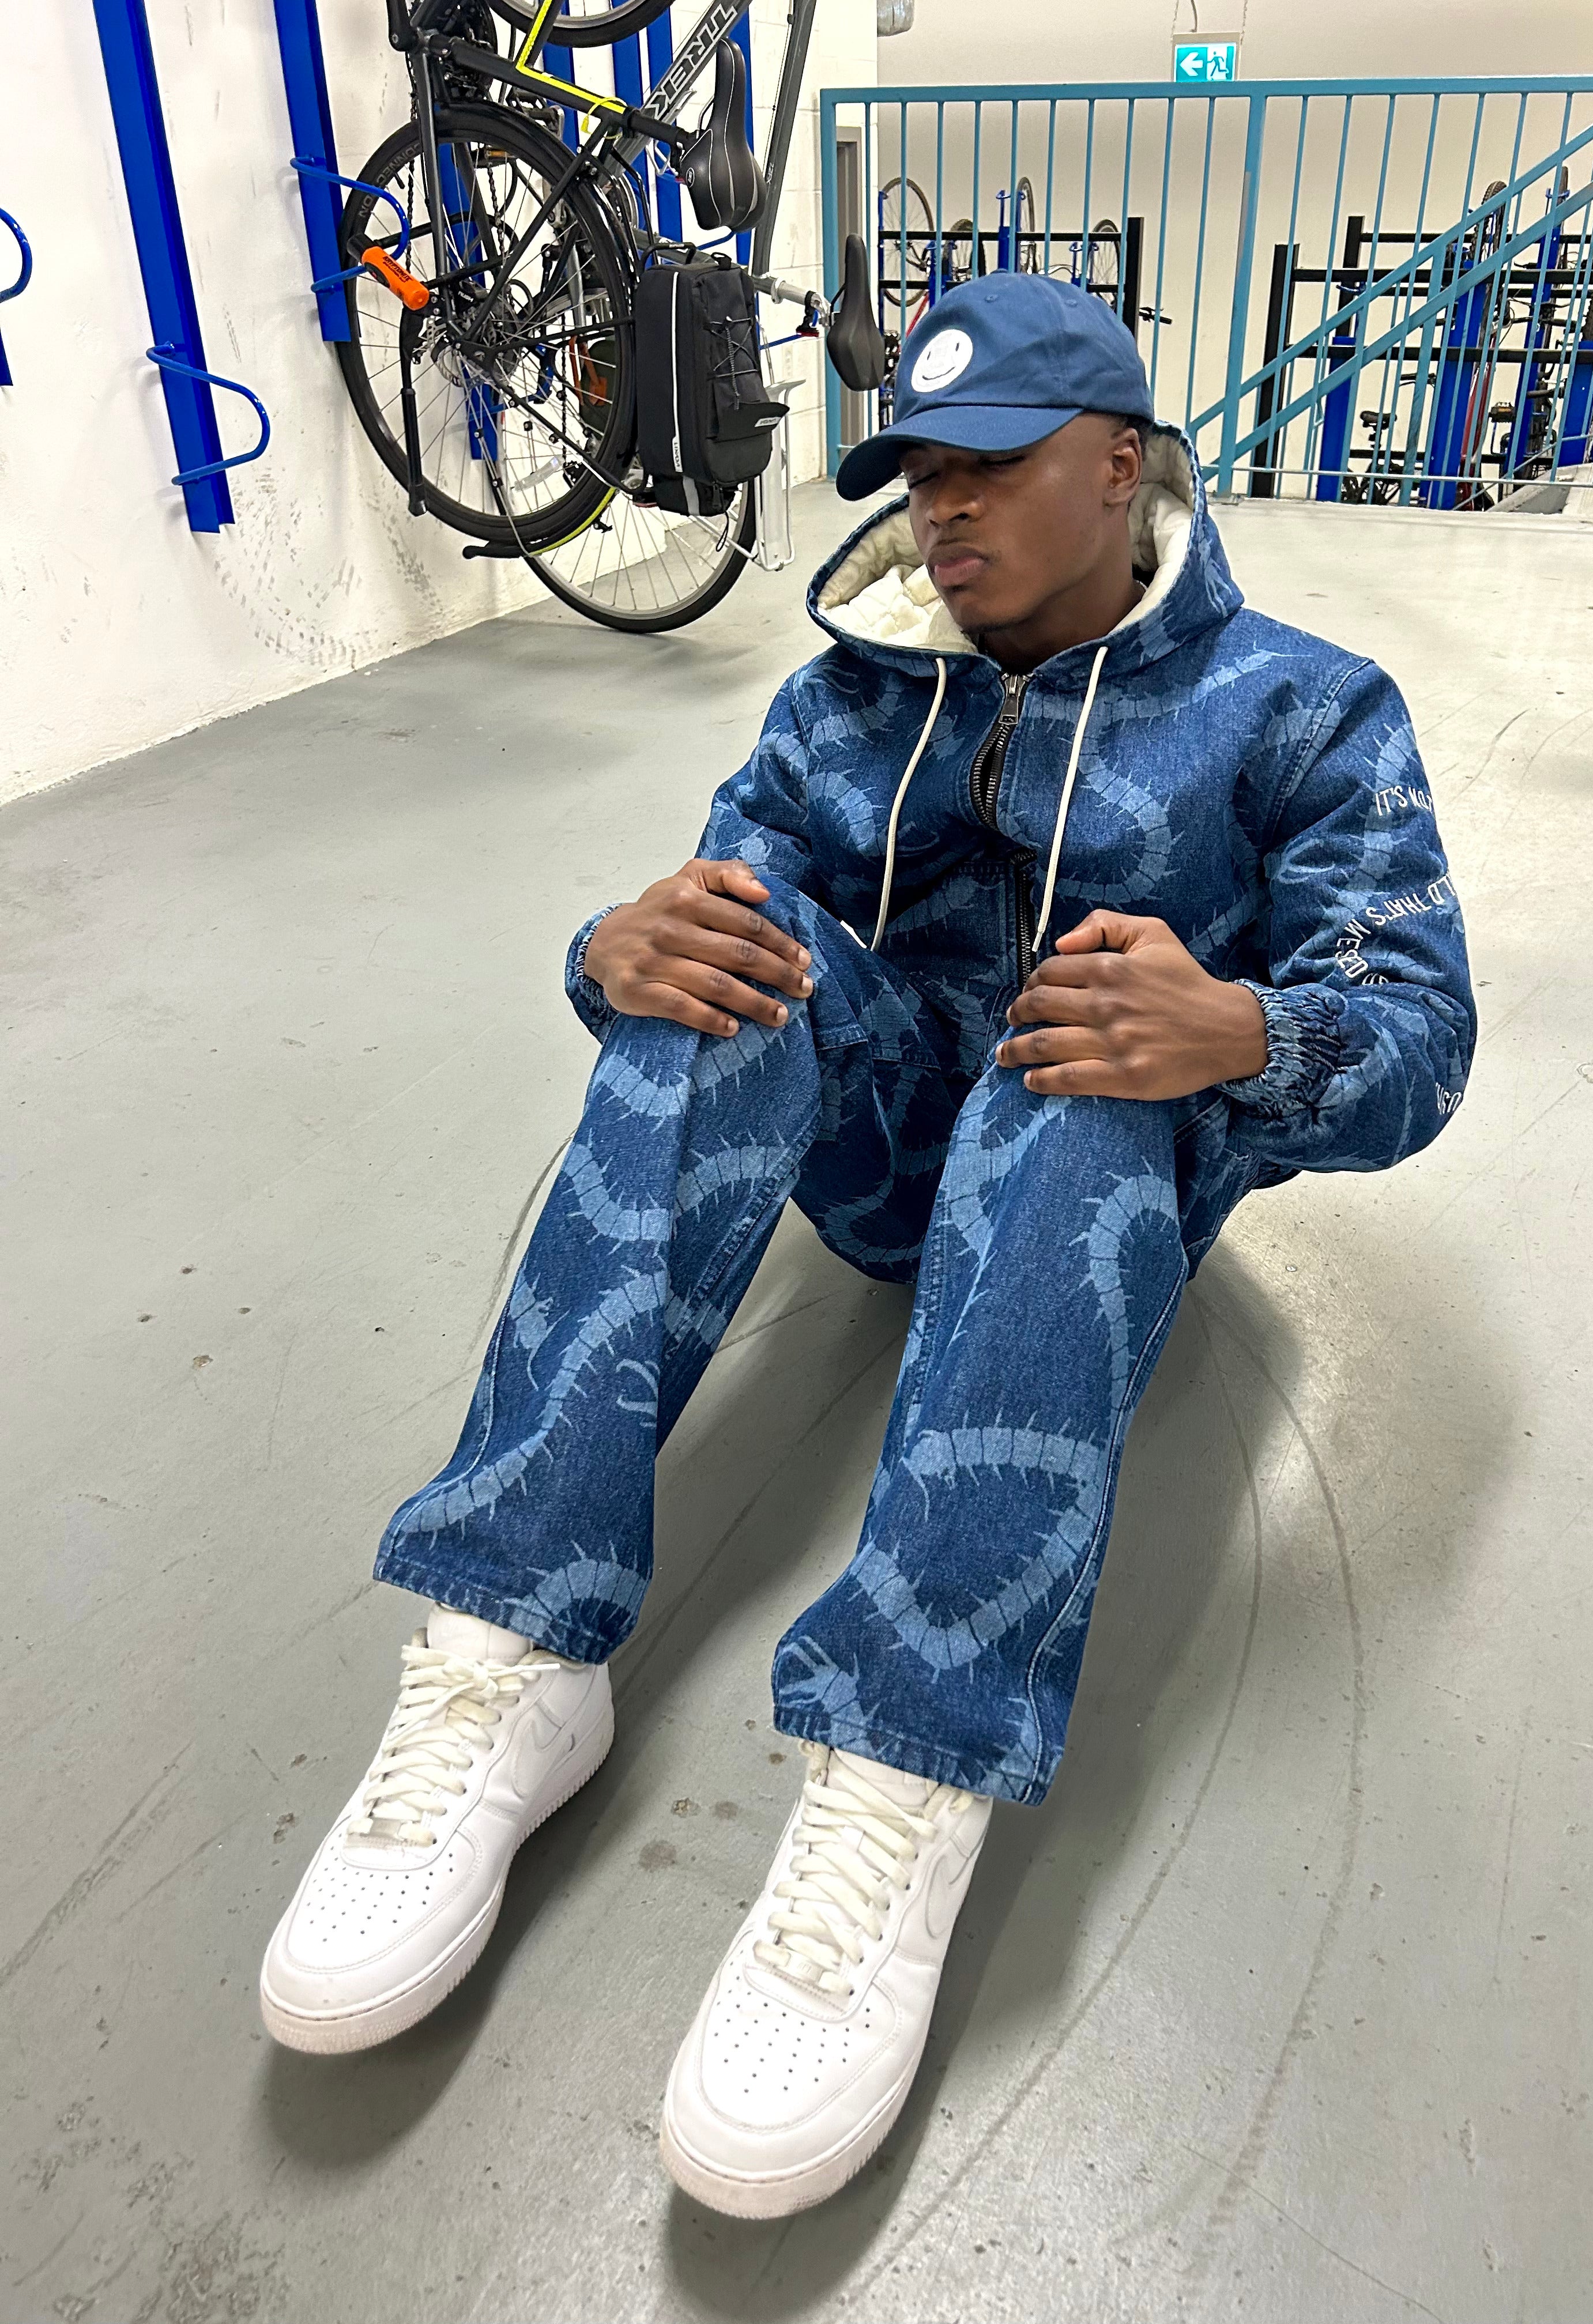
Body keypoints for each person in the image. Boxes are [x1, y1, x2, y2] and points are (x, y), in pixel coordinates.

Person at [259, 272, 1474, 2217]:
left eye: (990, 465)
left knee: (1087, 1051)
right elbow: (717, 906)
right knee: (724, 970)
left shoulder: (1303, 711)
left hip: (1099, 1190)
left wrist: (1245, 1030)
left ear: (1124, 464)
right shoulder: (846, 696)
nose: (943, 509)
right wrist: (608, 951)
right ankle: (507, 1652)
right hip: (888, 1148)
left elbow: (1420, 1031)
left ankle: (907, 1764)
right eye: (916, 473)